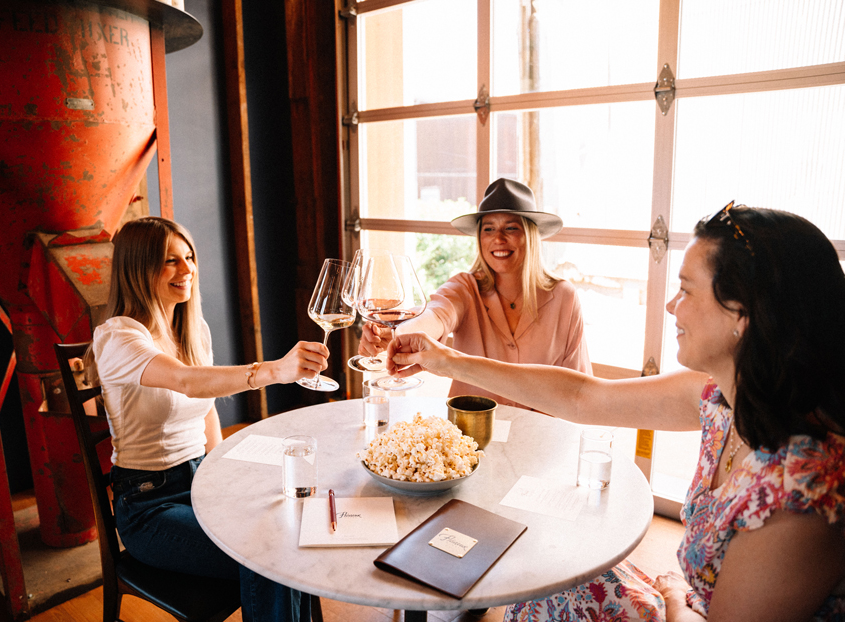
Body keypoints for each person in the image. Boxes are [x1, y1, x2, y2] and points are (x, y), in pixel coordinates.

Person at [385, 202, 845, 621]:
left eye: (685, 290)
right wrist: (443, 358)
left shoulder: (801, 490)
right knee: (542, 579)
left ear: (741, 314)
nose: (670, 306)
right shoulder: (719, 398)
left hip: (687, 610)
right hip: (686, 600)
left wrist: (672, 595)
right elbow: (584, 397)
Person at [88, 216, 328, 621]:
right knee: (266, 555)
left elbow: (208, 407)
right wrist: (273, 371)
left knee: (294, 528)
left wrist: (224, 480)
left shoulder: (192, 328)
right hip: (149, 504)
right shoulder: (117, 336)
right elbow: (187, 382)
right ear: (137, 267)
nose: (187, 270)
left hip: (201, 483)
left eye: (189, 257)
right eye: (170, 261)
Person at [359, 178, 591, 408]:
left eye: (511, 228)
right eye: (488, 229)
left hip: (542, 435)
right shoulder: (465, 288)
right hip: (470, 434)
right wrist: (398, 332)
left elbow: (579, 387)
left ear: (530, 235)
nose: (498, 239)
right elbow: (436, 315)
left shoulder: (564, 298)